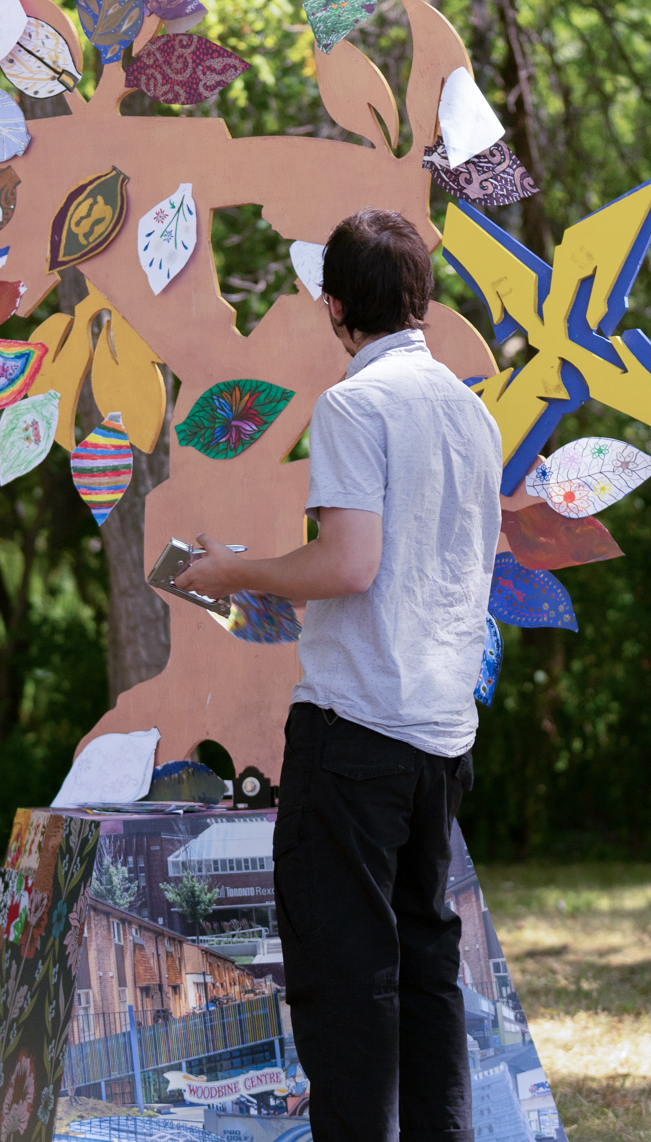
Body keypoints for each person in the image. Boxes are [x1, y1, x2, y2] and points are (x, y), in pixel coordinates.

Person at [176, 207, 503, 1142]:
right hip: (441, 734)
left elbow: (349, 564)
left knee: (346, 976)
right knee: (429, 972)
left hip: (356, 725)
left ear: (332, 308)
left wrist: (234, 569)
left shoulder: (354, 406)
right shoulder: (472, 413)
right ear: (422, 301)